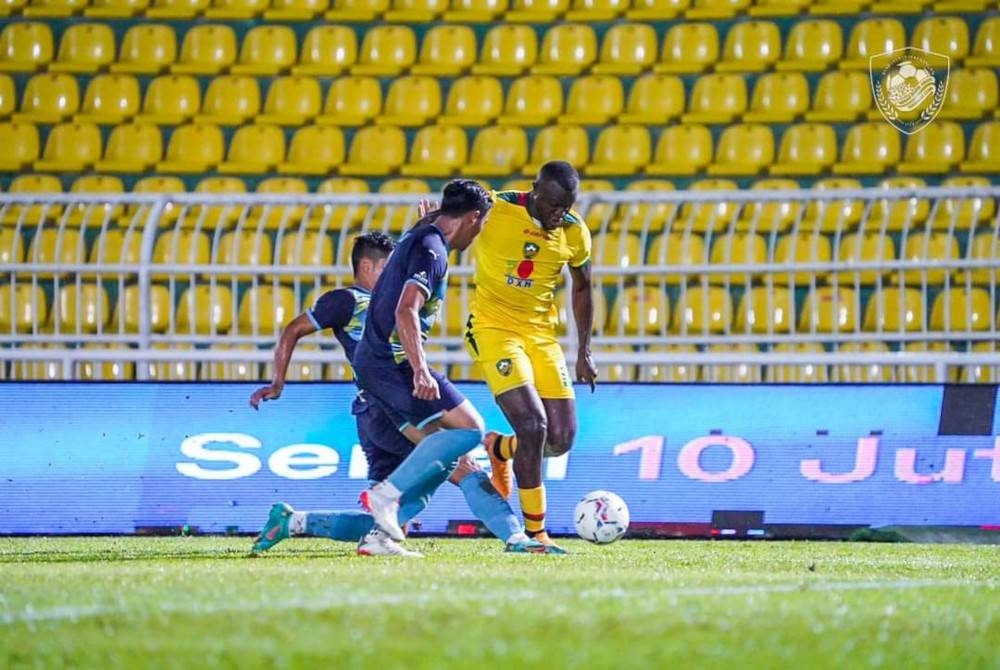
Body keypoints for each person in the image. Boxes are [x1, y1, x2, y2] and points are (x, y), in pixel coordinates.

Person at [248, 231, 540, 557]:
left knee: (386, 525)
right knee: (464, 466)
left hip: (373, 413)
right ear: (368, 267)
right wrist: (277, 382)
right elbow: (293, 329)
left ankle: (292, 522)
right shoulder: (349, 300)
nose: (396, 275)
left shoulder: (389, 302)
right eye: (389, 268)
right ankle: (517, 539)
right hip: (389, 406)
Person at [353, 180, 560, 554]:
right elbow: (406, 310)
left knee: (444, 456)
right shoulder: (433, 250)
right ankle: (387, 495)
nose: (480, 233)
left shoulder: (423, 237)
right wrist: (419, 370)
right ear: (474, 218)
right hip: (391, 363)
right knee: (470, 430)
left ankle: (380, 537)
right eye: (482, 224)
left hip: (376, 364)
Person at [461, 161, 597, 553]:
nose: (559, 214)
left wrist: (583, 350)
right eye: (553, 205)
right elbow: (450, 230)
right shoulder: (495, 209)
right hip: (493, 329)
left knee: (561, 438)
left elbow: (583, 287)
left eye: (566, 207)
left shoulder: (575, 231)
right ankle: (535, 534)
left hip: (540, 334)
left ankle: (499, 449)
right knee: (533, 426)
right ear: (535, 190)